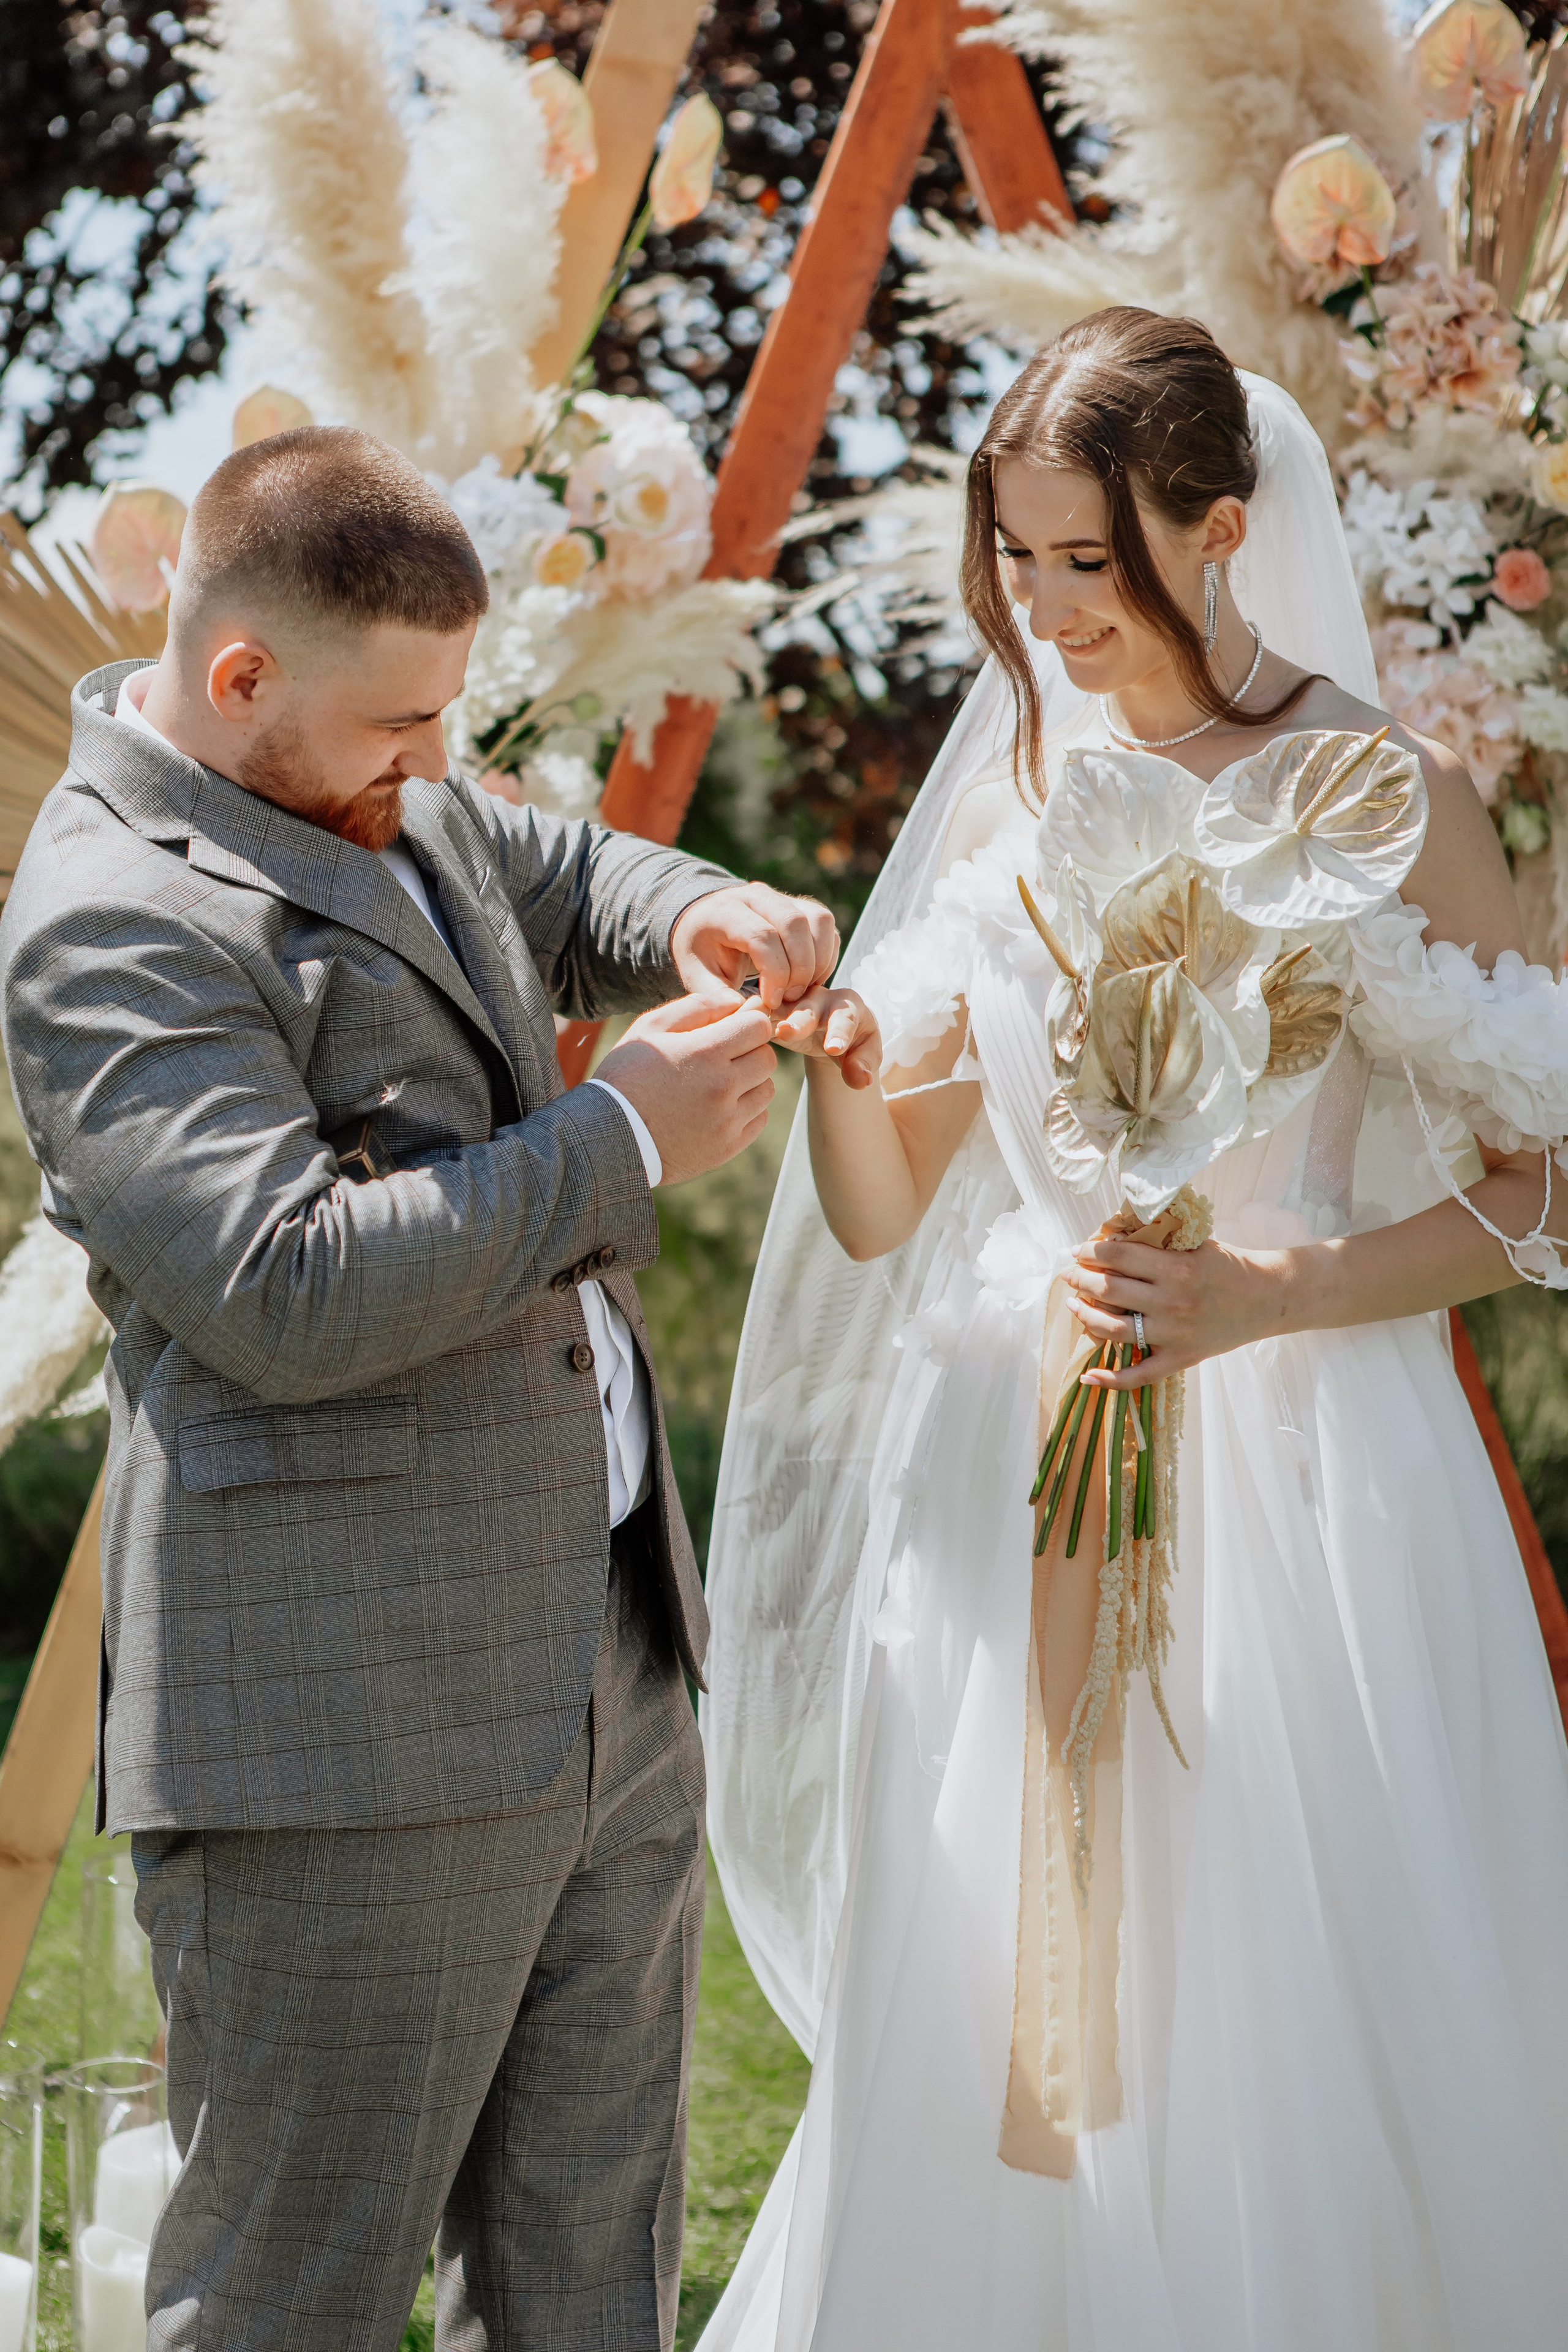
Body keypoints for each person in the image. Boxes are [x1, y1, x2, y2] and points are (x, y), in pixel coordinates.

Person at [700, 311, 1568, 2350]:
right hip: (1027, 1464)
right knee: (1005, 1939)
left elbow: (1545, 1197)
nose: (1045, 607)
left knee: (1286, 1964)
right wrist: (838, 1063)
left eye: (1089, 562)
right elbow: (889, 1196)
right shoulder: (1018, 800)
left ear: (1221, 528)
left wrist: (1274, 1294)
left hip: (1314, 1472)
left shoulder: (1388, 797)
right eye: (1016, 559)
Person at [0, 423, 839, 2352]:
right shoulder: (108, 920)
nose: (437, 767)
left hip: (606, 1669)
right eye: (401, 726)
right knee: (291, 2303)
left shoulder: (387, 784)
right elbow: (278, 1287)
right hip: (345, 1737)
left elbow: (553, 870)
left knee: (583, 2291)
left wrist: (698, 906)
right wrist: (617, 1141)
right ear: (237, 679)